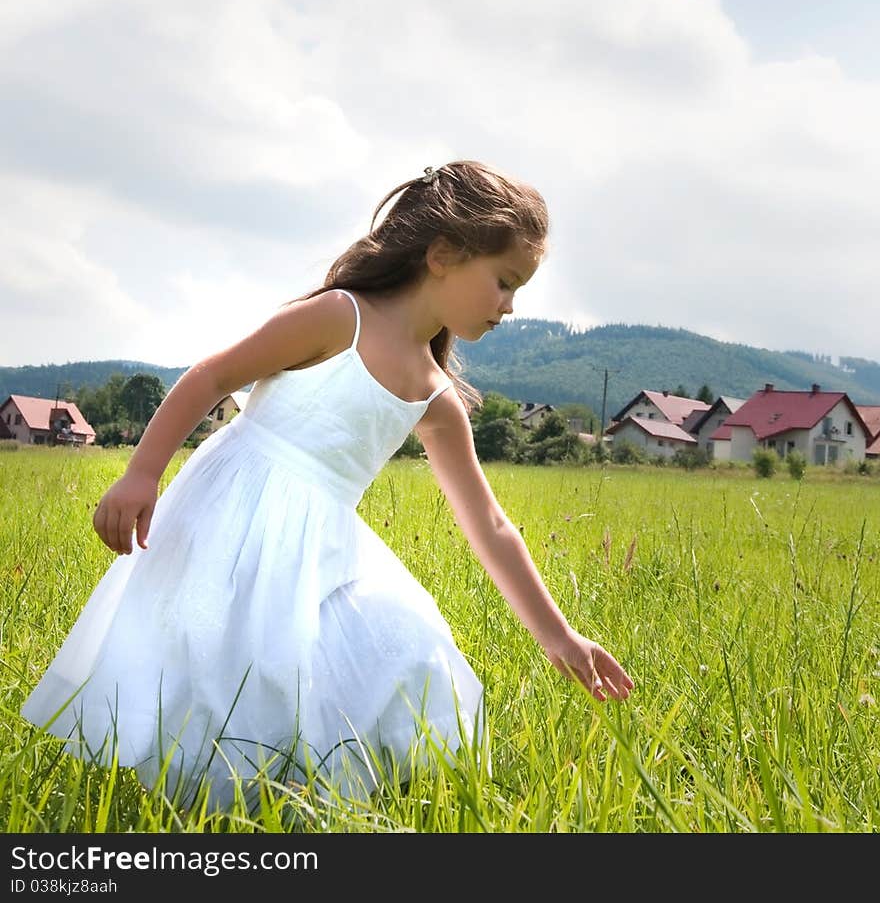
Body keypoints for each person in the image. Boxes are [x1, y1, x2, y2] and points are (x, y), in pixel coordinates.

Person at [21, 160, 633, 812]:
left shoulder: (436, 397)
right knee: (215, 665)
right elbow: (212, 376)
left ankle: (308, 803)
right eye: (504, 282)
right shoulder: (340, 317)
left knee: (411, 649)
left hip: (318, 545)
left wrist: (558, 636)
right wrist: (141, 473)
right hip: (233, 510)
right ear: (444, 254)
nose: (510, 306)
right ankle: (186, 808)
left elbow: (488, 524)